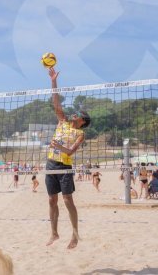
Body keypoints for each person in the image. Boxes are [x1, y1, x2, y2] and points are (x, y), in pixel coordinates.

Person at [45, 67, 91, 249]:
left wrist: (59, 146)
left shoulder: (80, 133)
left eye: (79, 115)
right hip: (50, 164)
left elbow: (71, 152)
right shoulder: (62, 121)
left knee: (67, 200)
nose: (75, 114)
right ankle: (54, 233)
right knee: (51, 200)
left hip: (64, 167)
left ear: (82, 121)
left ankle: (75, 234)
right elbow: (56, 103)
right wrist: (53, 81)